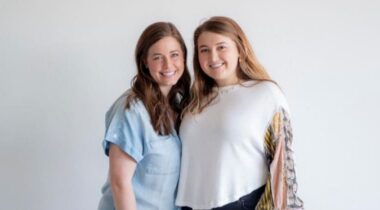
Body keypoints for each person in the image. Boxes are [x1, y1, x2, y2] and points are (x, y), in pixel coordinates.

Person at [176, 16, 304, 210]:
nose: (213, 57)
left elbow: (283, 165)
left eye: (221, 47)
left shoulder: (265, 93)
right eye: (204, 50)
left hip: (240, 202)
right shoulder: (194, 101)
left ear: (240, 50)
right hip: (188, 205)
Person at [98, 22, 190, 210]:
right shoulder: (131, 110)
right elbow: (119, 182)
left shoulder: (179, 104)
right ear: (144, 62)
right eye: (158, 57)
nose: (168, 65)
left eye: (174, 55)